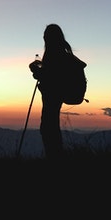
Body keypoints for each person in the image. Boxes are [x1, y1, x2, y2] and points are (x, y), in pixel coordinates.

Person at [29, 24, 85, 162]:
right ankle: (56, 156)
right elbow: (51, 76)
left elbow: (51, 78)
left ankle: (54, 157)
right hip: (56, 94)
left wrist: (36, 71)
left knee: (48, 127)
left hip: (53, 96)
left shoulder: (54, 55)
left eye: (45, 37)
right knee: (50, 126)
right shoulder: (62, 55)